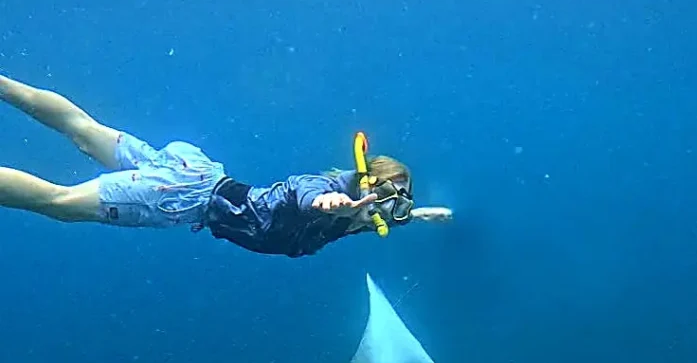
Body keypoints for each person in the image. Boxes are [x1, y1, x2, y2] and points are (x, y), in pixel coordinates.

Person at [0, 75, 452, 257]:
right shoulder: (329, 190)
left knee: (83, 129)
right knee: (58, 202)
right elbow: (308, 193)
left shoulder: (368, 216)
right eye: (388, 202)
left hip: (195, 170)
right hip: (180, 198)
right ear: (363, 182)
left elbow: (383, 214)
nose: (386, 214)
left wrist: (421, 214)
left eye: (397, 207)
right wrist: (326, 202)